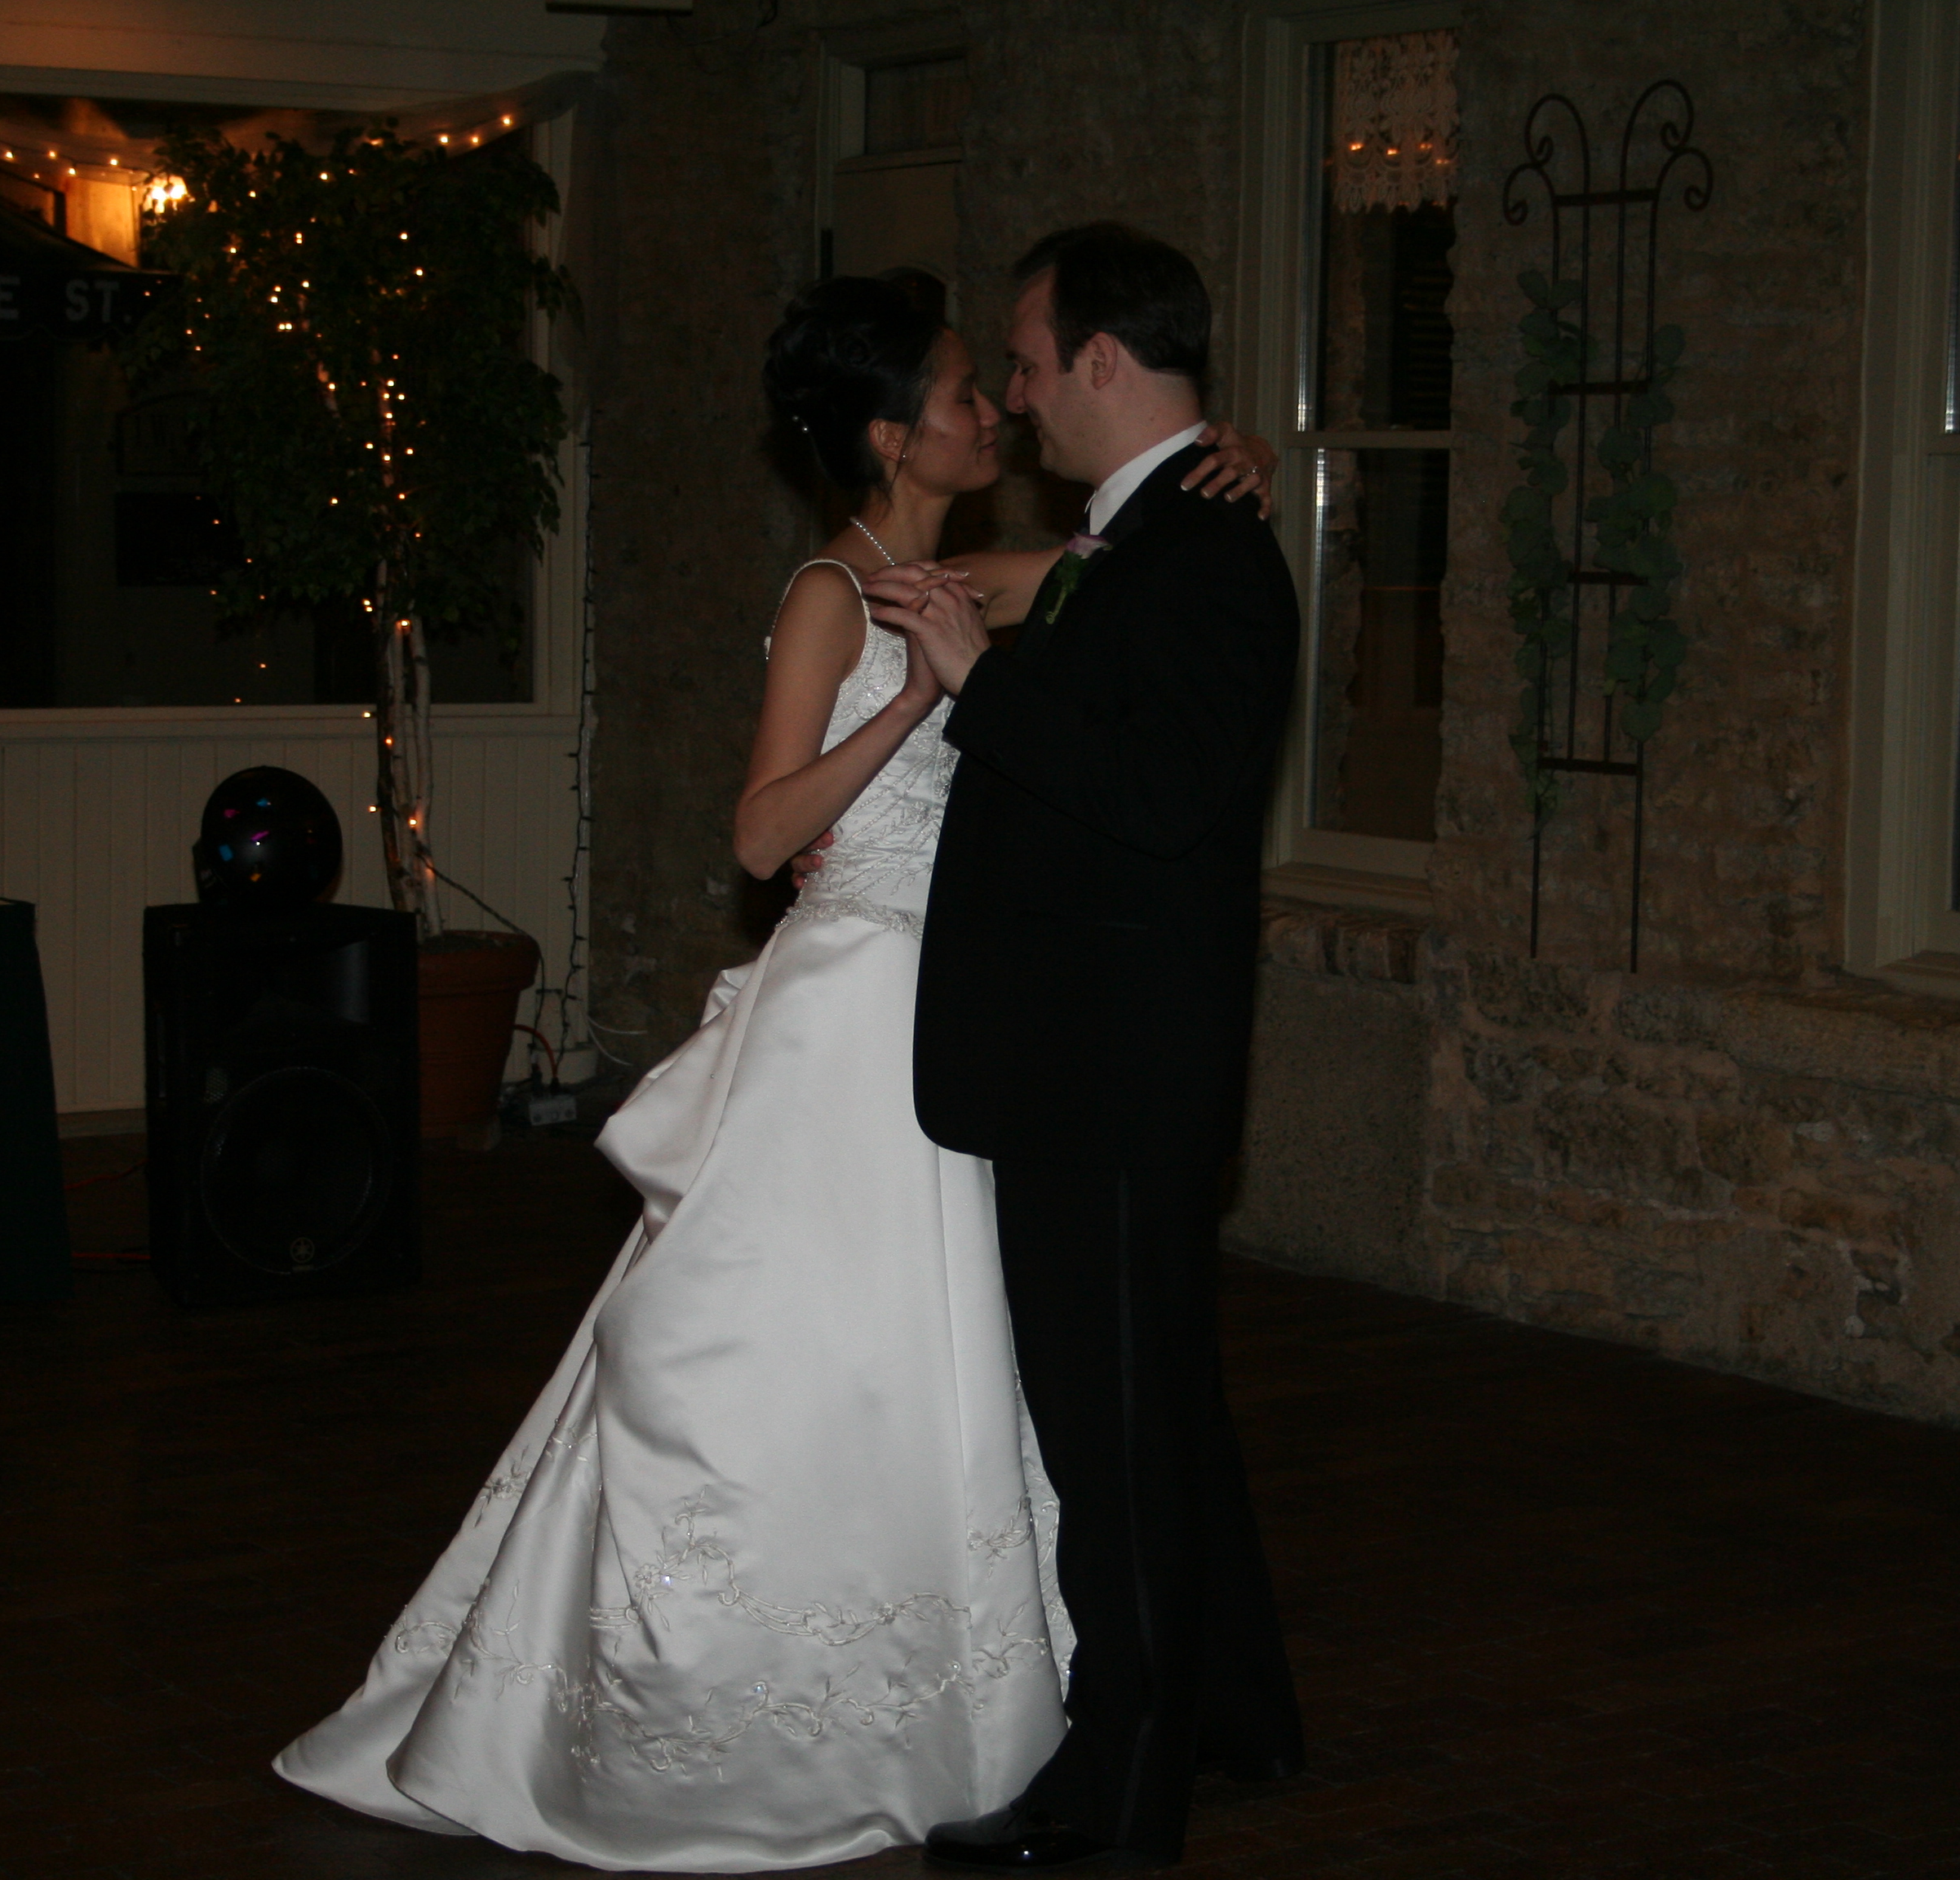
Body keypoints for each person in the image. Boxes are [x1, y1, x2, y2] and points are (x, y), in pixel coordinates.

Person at [271, 274, 1275, 1873]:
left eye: (997, 382)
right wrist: (919, 703)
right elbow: (758, 834)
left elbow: (1123, 565)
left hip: (975, 1011)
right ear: (890, 434)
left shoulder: (969, 576)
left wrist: (1228, 457)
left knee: (964, 1366)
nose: (994, 413)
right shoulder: (829, 593)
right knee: (795, 1349)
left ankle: (1004, 1696)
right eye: (962, 394)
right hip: (852, 1008)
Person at [866, 224, 1306, 1873]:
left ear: (1105, 361)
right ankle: (1236, 1715)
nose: (1021, 393)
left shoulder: (1203, 557)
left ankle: (1121, 1802)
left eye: (1033, 359)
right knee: (1158, 1413)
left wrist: (977, 682)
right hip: (1096, 1065)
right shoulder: (1150, 534)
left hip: (1114, 1077)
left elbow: (1160, 796)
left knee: (1116, 1451)